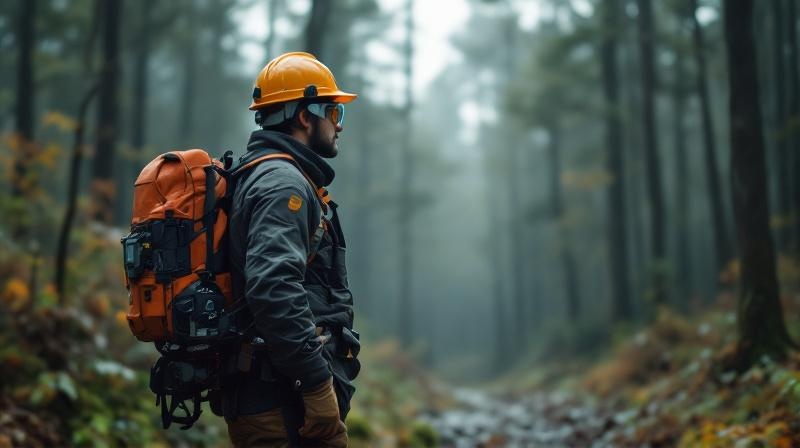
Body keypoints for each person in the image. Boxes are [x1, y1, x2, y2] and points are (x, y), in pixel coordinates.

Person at [222, 52, 361, 447]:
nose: (339, 126)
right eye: (334, 113)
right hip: (281, 402)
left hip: (280, 393)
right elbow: (273, 288)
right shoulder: (283, 184)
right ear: (304, 116)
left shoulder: (267, 174)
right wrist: (316, 384)